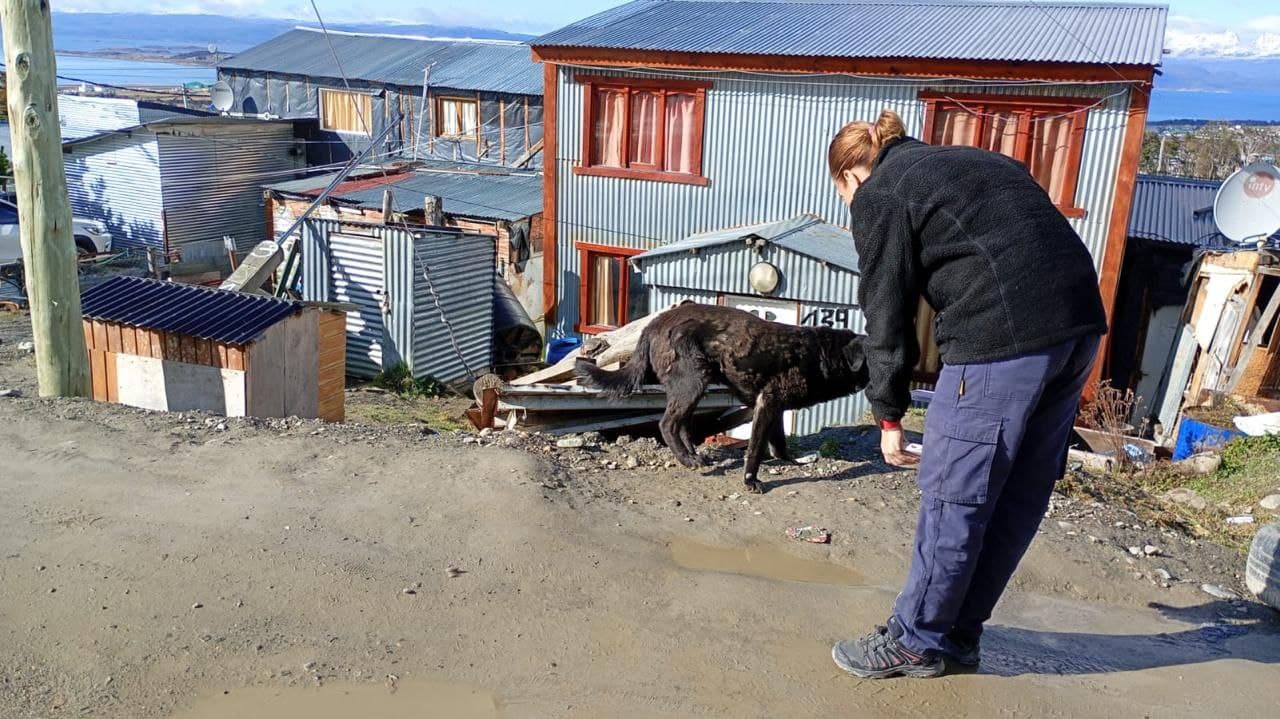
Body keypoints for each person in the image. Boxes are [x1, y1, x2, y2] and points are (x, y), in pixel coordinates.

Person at [826, 109, 1107, 679]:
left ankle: (913, 641)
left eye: (844, 195)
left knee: (955, 494)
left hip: (998, 341)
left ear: (851, 177)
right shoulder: (977, 161)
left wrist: (888, 415)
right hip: (1078, 330)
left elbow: (886, 318)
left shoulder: (882, 193)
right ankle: (957, 635)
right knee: (1016, 495)